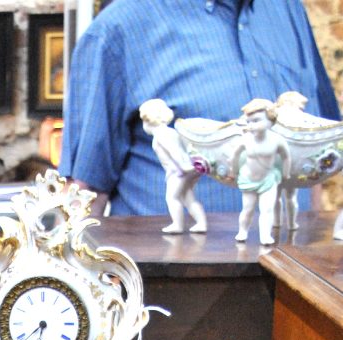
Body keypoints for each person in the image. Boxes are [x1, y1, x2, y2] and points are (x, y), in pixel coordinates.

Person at [59, 0, 340, 217]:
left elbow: (311, 155)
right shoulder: (116, 30)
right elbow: (83, 198)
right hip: (175, 287)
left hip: (292, 283)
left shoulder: (287, 10)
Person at [138, 99, 208, 233]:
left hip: (178, 171)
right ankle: (201, 223)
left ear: (148, 120)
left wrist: (184, 166)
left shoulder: (161, 135)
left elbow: (174, 152)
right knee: (187, 197)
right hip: (185, 170)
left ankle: (177, 225)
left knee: (172, 197)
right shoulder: (171, 132)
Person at [233, 97, 289, 244]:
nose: (251, 125)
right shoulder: (245, 139)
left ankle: (265, 235)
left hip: (268, 179)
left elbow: (286, 156)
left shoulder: (277, 140)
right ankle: (242, 231)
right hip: (249, 178)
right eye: (248, 121)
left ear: (270, 120)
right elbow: (235, 156)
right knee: (248, 209)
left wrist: (286, 172)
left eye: (256, 120)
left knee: (267, 209)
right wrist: (234, 171)